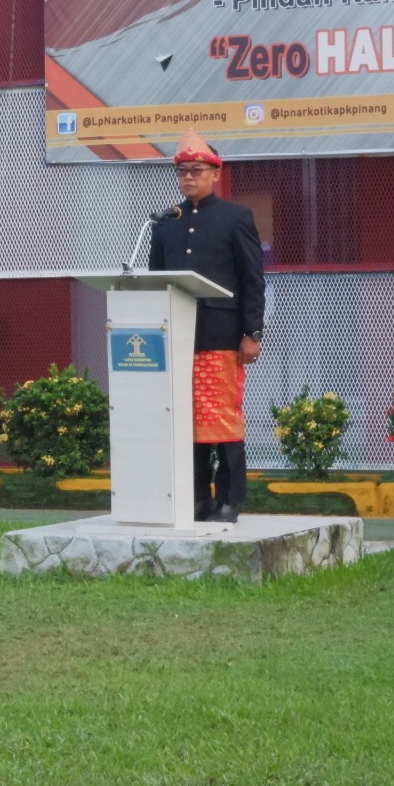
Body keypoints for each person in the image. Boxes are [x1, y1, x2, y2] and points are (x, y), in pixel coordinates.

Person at [148, 129, 266, 524]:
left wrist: (252, 333)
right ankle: (195, 497)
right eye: (182, 172)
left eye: (197, 171)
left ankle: (229, 499)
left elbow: (252, 279)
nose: (188, 178)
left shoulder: (235, 218)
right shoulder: (166, 223)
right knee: (183, 420)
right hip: (176, 337)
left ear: (215, 174)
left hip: (220, 335)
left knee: (221, 419)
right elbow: (154, 281)